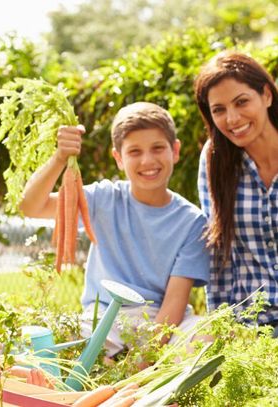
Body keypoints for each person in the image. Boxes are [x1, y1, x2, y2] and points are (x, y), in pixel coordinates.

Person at [19, 102, 210, 357]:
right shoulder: (104, 198)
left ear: (174, 151)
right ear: (118, 159)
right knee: (39, 344)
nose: (147, 160)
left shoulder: (192, 222)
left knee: (208, 334)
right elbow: (32, 206)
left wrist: (139, 363)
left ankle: (126, 373)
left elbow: (174, 304)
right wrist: (59, 158)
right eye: (134, 151)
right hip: (103, 320)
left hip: (160, 321)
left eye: (157, 148)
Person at [194, 50, 278, 336]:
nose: (232, 118)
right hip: (253, 326)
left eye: (242, 102)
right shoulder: (215, 159)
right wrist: (220, 329)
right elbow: (221, 255)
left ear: (266, 95)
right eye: (218, 109)